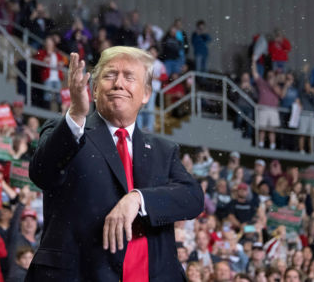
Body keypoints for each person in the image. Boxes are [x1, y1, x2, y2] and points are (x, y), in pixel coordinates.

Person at [25, 47, 204, 281]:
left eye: (129, 77)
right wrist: (77, 113)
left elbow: (192, 198)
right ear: (95, 89)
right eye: (110, 75)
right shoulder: (69, 132)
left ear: (146, 93)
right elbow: (42, 174)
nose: (119, 83)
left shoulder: (163, 150)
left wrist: (138, 199)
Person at [252, 60, 282, 149]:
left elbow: (281, 94)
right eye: (269, 75)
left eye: (271, 75)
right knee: (262, 128)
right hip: (263, 108)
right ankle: (260, 144)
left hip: (273, 109)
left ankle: (272, 145)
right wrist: (253, 61)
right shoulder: (262, 82)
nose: (270, 77)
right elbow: (254, 73)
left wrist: (274, 81)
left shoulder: (276, 86)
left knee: (272, 129)